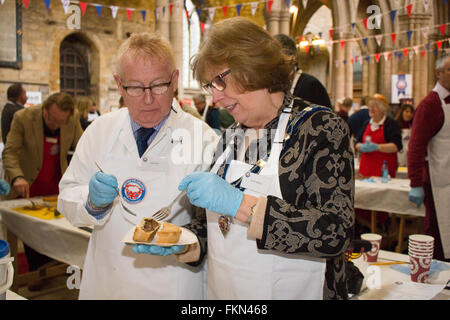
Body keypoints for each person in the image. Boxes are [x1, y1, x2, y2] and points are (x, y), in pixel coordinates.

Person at [138, 17, 354, 300]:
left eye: (220, 80)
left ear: (253, 67)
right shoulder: (230, 138)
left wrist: (242, 205)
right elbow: (214, 228)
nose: (215, 97)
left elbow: (335, 232)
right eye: (209, 85)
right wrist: (183, 243)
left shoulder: (319, 129)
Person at [57, 32, 217, 299]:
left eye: (158, 86)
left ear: (175, 80)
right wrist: (91, 203)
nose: (148, 99)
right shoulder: (100, 131)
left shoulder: (203, 139)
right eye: (135, 87)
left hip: (173, 284)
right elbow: (66, 198)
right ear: (119, 85)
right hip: (109, 279)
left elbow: (216, 228)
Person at [2, 92, 83, 280]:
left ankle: (50, 271)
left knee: (58, 231)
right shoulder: (23, 118)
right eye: (52, 119)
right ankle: (35, 274)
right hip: (27, 185)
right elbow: (10, 152)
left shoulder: (72, 119)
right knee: (31, 233)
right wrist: (17, 177)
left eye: (60, 122)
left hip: (54, 185)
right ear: (44, 110)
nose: (55, 125)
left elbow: (83, 148)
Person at [407, 54, 450, 261]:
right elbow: (415, 147)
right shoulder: (430, 104)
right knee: (438, 232)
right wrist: (415, 182)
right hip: (437, 181)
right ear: (438, 73)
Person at [274, 33, 332, 109]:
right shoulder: (273, 85)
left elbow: (326, 117)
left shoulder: (312, 85)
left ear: (292, 59)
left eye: (280, 62)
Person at [355, 93, 402, 178]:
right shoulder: (366, 123)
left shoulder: (390, 124)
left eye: (374, 106)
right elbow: (357, 143)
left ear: (382, 109)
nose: (371, 109)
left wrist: (377, 147)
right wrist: (361, 147)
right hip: (365, 170)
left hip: (384, 172)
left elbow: (396, 146)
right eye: (370, 106)